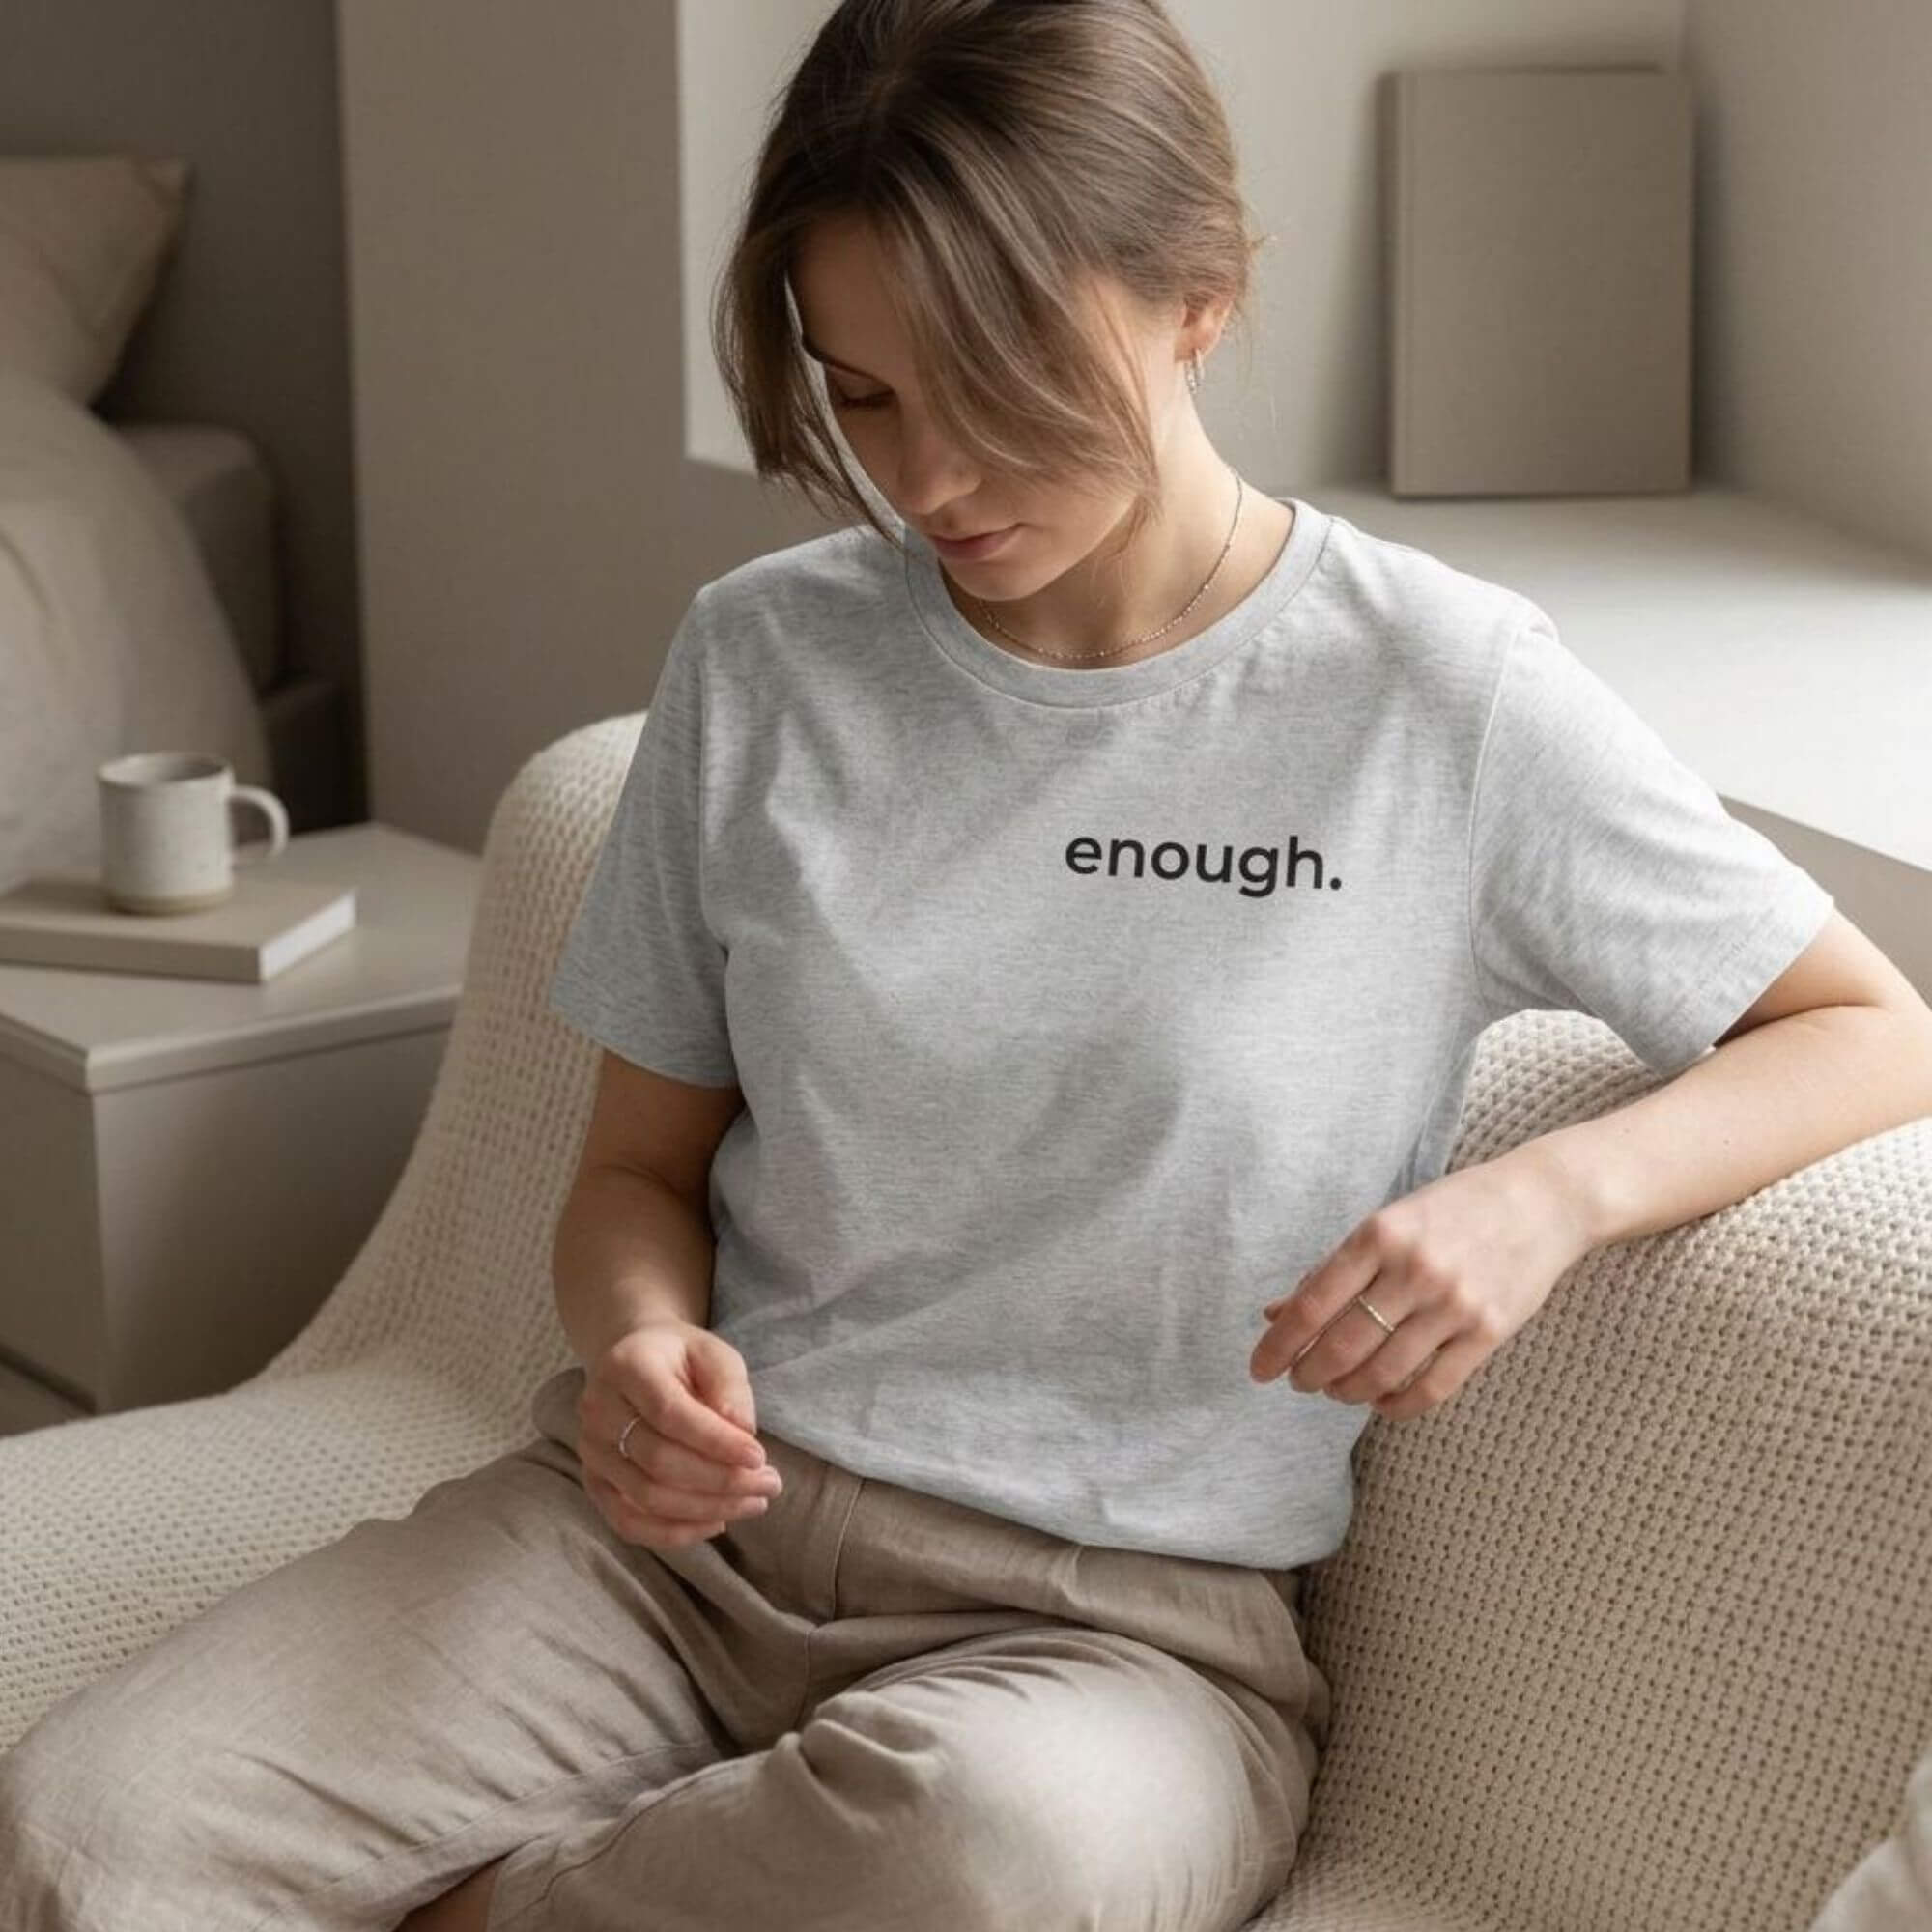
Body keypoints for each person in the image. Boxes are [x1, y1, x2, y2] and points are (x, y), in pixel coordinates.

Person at [0, 2, 1856, 1928]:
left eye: (999, 376)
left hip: (1116, 1653)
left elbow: (1862, 1030)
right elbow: (635, 1175)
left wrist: (1543, 1199)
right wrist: (637, 1343)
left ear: (1198, 294)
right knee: (83, 1833)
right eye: (865, 395)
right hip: (668, 1555)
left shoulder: (1437, 697)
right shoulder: (761, 662)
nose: (931, 477)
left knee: (979, 1863)